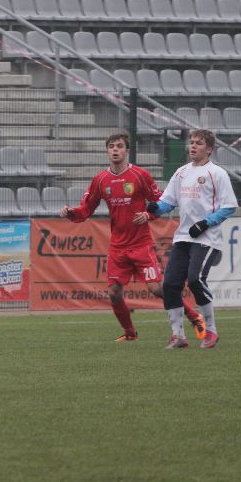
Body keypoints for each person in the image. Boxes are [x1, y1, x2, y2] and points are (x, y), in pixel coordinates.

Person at [61, 133, 207, 342]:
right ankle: (130, 333)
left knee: (157, 289)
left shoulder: (140, 175)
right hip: (118, 247)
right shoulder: (101, 179)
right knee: (113, 292)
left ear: (127, 150)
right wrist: (71, 213)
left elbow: (161, 203)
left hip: (141, 245)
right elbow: (86, 208)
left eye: (119, 146)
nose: (115, 150)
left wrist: (148, 214)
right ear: (107, 151)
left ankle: (195, 317)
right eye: (111, 146)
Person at [147, 129, 237, 349]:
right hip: (183, 238)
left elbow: (229, 206)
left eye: (198, 143)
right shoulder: (181, 173)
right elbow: (168, 202)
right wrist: (154, 207)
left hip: (207, 239)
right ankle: (178, 336)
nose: (193, 146)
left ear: (209, 148)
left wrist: (205, 223)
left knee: (195, 280)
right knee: (169, 284)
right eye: (191, 142)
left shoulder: (217, 173)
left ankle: (211, 331)